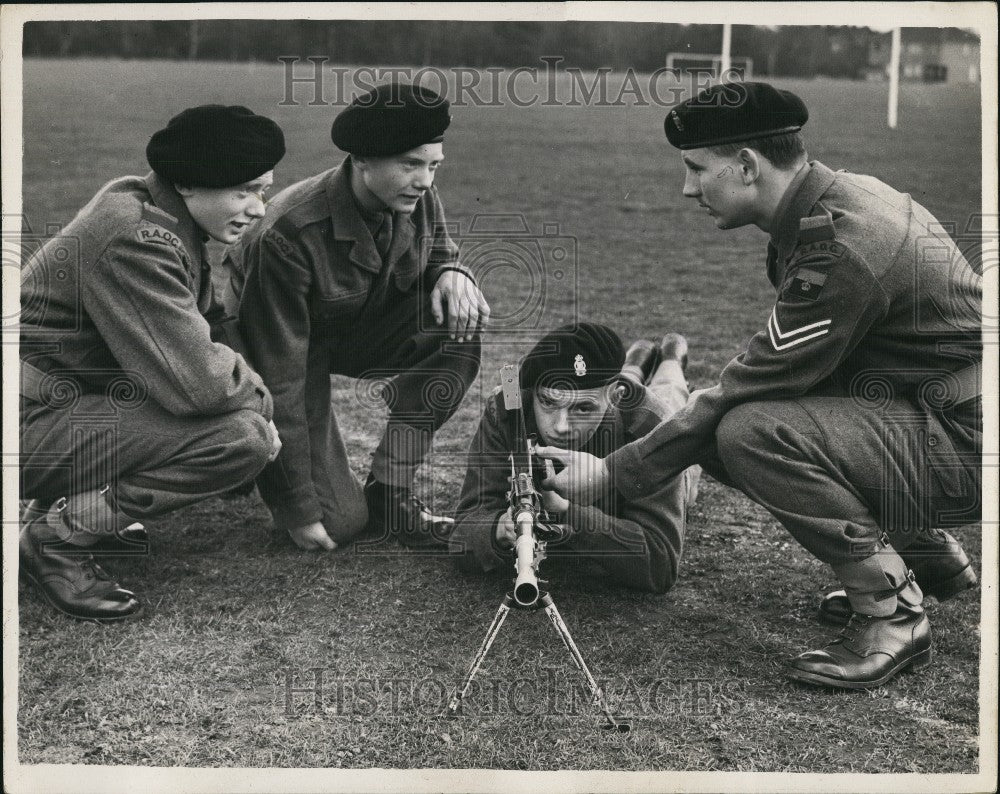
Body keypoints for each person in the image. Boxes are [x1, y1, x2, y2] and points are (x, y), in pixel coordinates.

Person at [540, 82, 981, 689]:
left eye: (698, 169)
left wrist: (612, 474)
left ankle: (893, 613)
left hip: (967, 440)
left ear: (747, 166)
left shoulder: (840, 248)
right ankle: (925, 555)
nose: (687, 188)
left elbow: (747, 387)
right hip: (944, 412)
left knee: (747, 431)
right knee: (730, 421)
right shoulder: (840, 198)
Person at [20, 105, 286, 622]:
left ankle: (56, 508)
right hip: (25, 422)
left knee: (225, 416)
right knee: (240, 438)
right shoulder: (136, 236)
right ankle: (55, 539)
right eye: (244, 191)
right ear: (187, 183)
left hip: (51, 404)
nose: (258, 208)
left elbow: (207, 330)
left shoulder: (153, 208)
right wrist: (263, 407)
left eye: (263, 191)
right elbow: (200, 386)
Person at [233, 82, 489, 552]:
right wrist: (296, 506)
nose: (425, 180)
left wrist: (452, 272)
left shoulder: (417, 197)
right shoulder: (290, 233)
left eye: (433, 165)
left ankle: (389, 491)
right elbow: (280, 375)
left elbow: (438, 251)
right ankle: (241, 455)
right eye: (410, 164)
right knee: (339, 523)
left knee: (457, 328)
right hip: (276, 345)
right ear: (362, 160)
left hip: (349, 326)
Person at [451, 323, 700, 594]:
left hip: (651, 410)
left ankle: (671, 356)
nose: (561, 426)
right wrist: (498, 529)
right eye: (548, 402)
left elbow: (660, 564)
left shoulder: (650, 426)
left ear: (615, 397)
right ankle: (635, 361)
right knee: (621, 378)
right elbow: (463, 532)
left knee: (672, 396)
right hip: (611, 388)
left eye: (583, 408)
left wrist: (567, 512)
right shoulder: (509, 410)